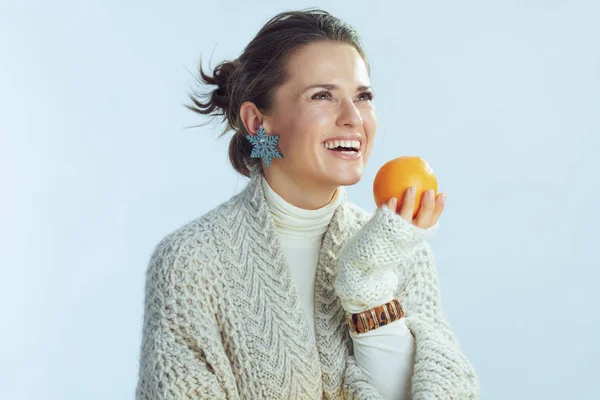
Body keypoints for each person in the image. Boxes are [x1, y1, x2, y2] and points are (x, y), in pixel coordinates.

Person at [136, 9, 479, 400]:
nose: (353, 118)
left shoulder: (400, 252)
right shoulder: (190, 263)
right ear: (257, 122)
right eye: (322, 95)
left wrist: (367, 286)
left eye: (363, 97)